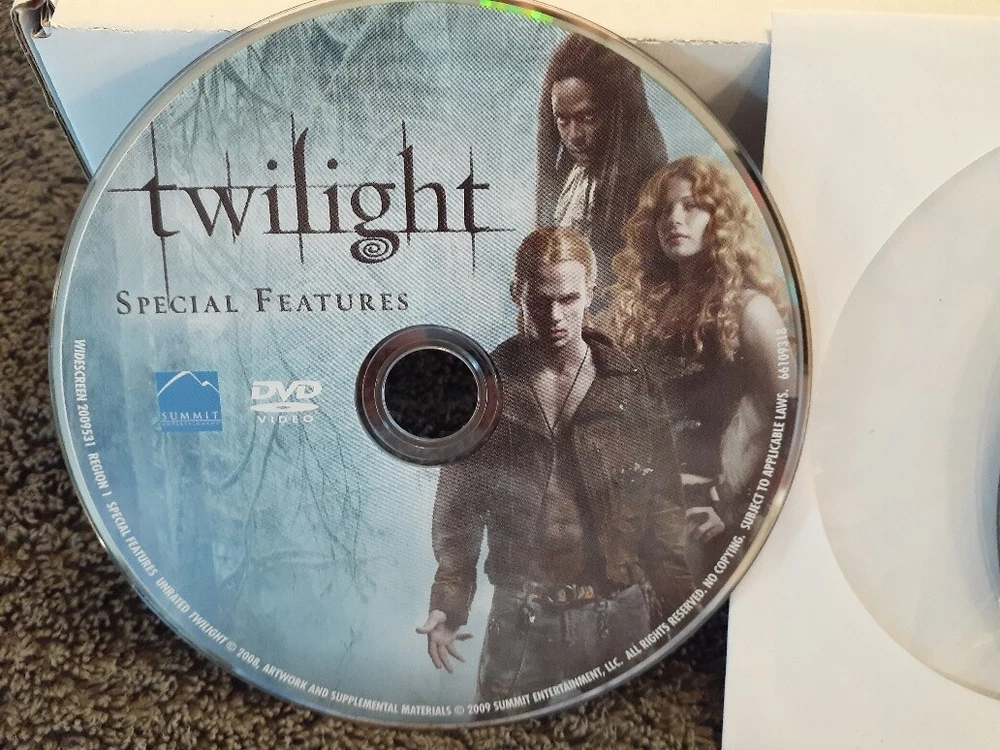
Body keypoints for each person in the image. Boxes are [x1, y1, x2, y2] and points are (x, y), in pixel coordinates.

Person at [417, 227, 692, 705]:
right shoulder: (484, 389)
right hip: (524, 618)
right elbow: (459, 507)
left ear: (591, 291)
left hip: (620, 614)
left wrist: (679, 604)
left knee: (632, 734)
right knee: (505, 736)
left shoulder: (631, 384)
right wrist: (448, 604)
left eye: (569, 299)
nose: (555, 316)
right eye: (540, 301)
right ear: (517, 293)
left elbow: (664, 500)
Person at [605, 156, 795, 579]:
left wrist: (735, 509)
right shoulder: (643, 310)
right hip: (638, 523)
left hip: (705, 527)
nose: (674, 219)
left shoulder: (752, 310)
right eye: (663, 211)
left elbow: (789, 426)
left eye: (691, 206)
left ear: (720, 219)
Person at [535, 35, 669, 292]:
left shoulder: (652, 190)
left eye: (588, 116)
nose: (574, 136)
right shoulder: (570, 181)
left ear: (617, 112)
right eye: (562, 120)